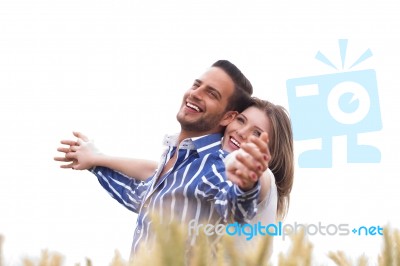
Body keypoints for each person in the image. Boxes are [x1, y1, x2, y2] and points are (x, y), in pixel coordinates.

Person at [54, 60, 270, 259]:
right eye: (196, 85)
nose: (195, 94)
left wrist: (247, 184)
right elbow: (138, 196)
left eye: (211, 94)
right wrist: (94, 164)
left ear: (227, 117)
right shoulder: (176, 158)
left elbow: (236, 210)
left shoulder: (215, 165)